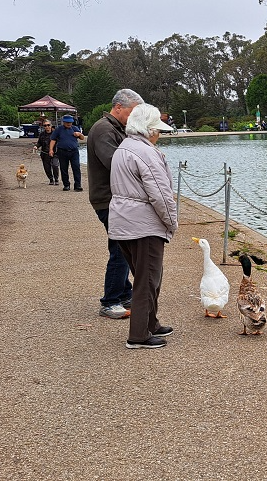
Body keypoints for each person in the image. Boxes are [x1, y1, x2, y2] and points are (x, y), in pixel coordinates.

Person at [108, 103, 177, 349]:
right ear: (149, 130)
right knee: (147, 280)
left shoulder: (123, 148)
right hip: (144, 225)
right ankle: (138, 335)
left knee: (145, 276)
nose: (158, 135)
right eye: (157, 130)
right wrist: (172, 222)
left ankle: (151, 322)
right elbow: (161, 194)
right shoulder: (146, 153)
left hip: (123, 222)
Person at [86, 89, 143, 319]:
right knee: (120, 249)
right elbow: (117, 164)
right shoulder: (104, 130)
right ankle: (110, 301)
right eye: (132, 112)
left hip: (116, 198)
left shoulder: (117, 129)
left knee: (124, 247)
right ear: (118, 107)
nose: (133, 118)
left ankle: (124, 291)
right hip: (109, 199)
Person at [49, 114, 86, 191]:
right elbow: (53, 140)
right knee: (63, 168)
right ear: (63, 122)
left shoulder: (75, 128)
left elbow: (82, 138)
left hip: (74, 151)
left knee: (76, 168)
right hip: (62, 151)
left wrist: (79, 134)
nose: (69, 124)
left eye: (70, 122)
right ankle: (66, 185)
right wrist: (51, 150)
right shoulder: (59, 129)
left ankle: (78, 185)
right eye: (67, 122)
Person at [34, 121, 60, 185]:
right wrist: (36, 146)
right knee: (47, 167)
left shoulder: (55, 133)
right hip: (45, 153)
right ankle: (51, 179)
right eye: (45, 126)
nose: (47, 127)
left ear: (51, 126)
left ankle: (56, 179)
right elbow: (39, 142)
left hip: (55, 153)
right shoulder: (42, 134)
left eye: (48, 125)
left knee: (55, 165)